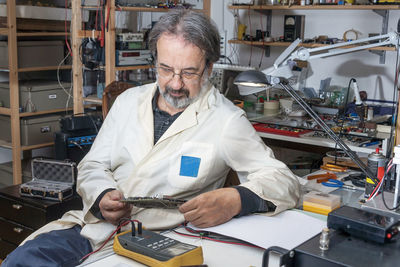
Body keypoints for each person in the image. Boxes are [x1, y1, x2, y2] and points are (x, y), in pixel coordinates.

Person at [2, 9, 300, 266]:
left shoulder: (224, 119)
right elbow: (93, 165)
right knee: (23, 260)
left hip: (165, 240)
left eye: (189, 73)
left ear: (208, 68)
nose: (175, 84)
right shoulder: (129, 101)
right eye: (166, 69)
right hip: (94, 229)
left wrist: (236, 199)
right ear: (154, 61)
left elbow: (283, 181)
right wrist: (103, 196)